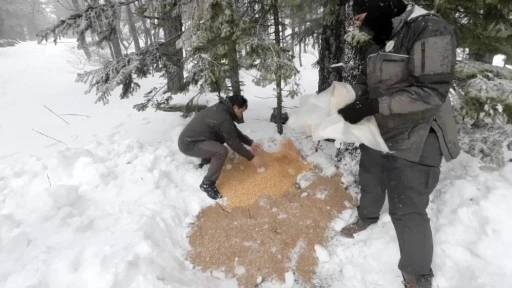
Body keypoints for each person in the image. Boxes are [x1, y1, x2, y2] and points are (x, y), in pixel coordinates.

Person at [337, 1, 461, 287]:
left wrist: (373, 105)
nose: (360, 26)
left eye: (361, 18)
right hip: (384, 127)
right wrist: (347, 97)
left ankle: (416, 275)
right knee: (370, 173)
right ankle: (366, 217)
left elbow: (431, 94)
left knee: (407, 206)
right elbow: (371, 84)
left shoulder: (428, 28)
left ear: (380, 7)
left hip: (419, 132)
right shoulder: (384, 36)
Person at [178, 95, 265, 200]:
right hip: (189, 144)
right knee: (221, 151)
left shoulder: (223, 108)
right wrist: (252, 158)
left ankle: (206, 162)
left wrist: (250, 143)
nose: (241, 115)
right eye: (241, 111)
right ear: (235, 107)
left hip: (196, 139)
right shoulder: (223, 117)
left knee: (221, 137)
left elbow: (232, 131)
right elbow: (234, 143)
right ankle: (207, 184)